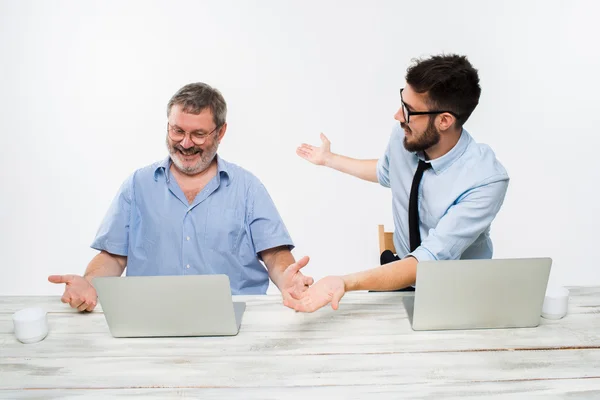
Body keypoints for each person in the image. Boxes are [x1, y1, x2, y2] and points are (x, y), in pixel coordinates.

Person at [49, 82, 313, 312]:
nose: (186, 143)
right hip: (150, 320)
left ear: (220, 133)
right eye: (177, 131)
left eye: (198, 134)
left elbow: (274, 254)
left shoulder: (247, 188)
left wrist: (289, 280)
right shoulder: (137, 185)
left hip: (236, 325)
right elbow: (114, 256)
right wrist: (90, 282)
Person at [291, 54, 509, 312]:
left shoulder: (485, 180)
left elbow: (430, 260)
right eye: (401, 102)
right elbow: (386, 172)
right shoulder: (406, 134)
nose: (397, 115)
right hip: (404, 283)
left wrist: (345, 282)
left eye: (409, 110)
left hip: (459, 294)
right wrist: (329, 159)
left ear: (444, 120)